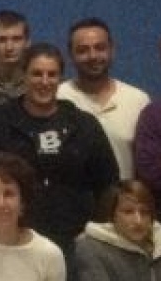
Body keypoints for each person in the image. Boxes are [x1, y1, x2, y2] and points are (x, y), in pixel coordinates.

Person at [0, 42, 119, 258]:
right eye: (36, 74)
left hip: (75, 241)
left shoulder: (84, 124)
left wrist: (95, 232)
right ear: (23, 75)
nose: (44, 82)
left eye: (52, 74)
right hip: (13, 239)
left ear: (60, 78)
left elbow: (108, 184)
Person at [57, 17, 151, 179]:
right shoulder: (58, 98)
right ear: (70, 55)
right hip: (76, 201)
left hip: (124, 201)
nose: (93, 56)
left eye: (100, 48)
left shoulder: (138, 100)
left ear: (112, 50)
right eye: (83, 50)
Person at [0, 10, 30, 103]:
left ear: (27, 42)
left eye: (16, 39)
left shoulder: (39, 83)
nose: (9, 47)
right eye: (1, 40)